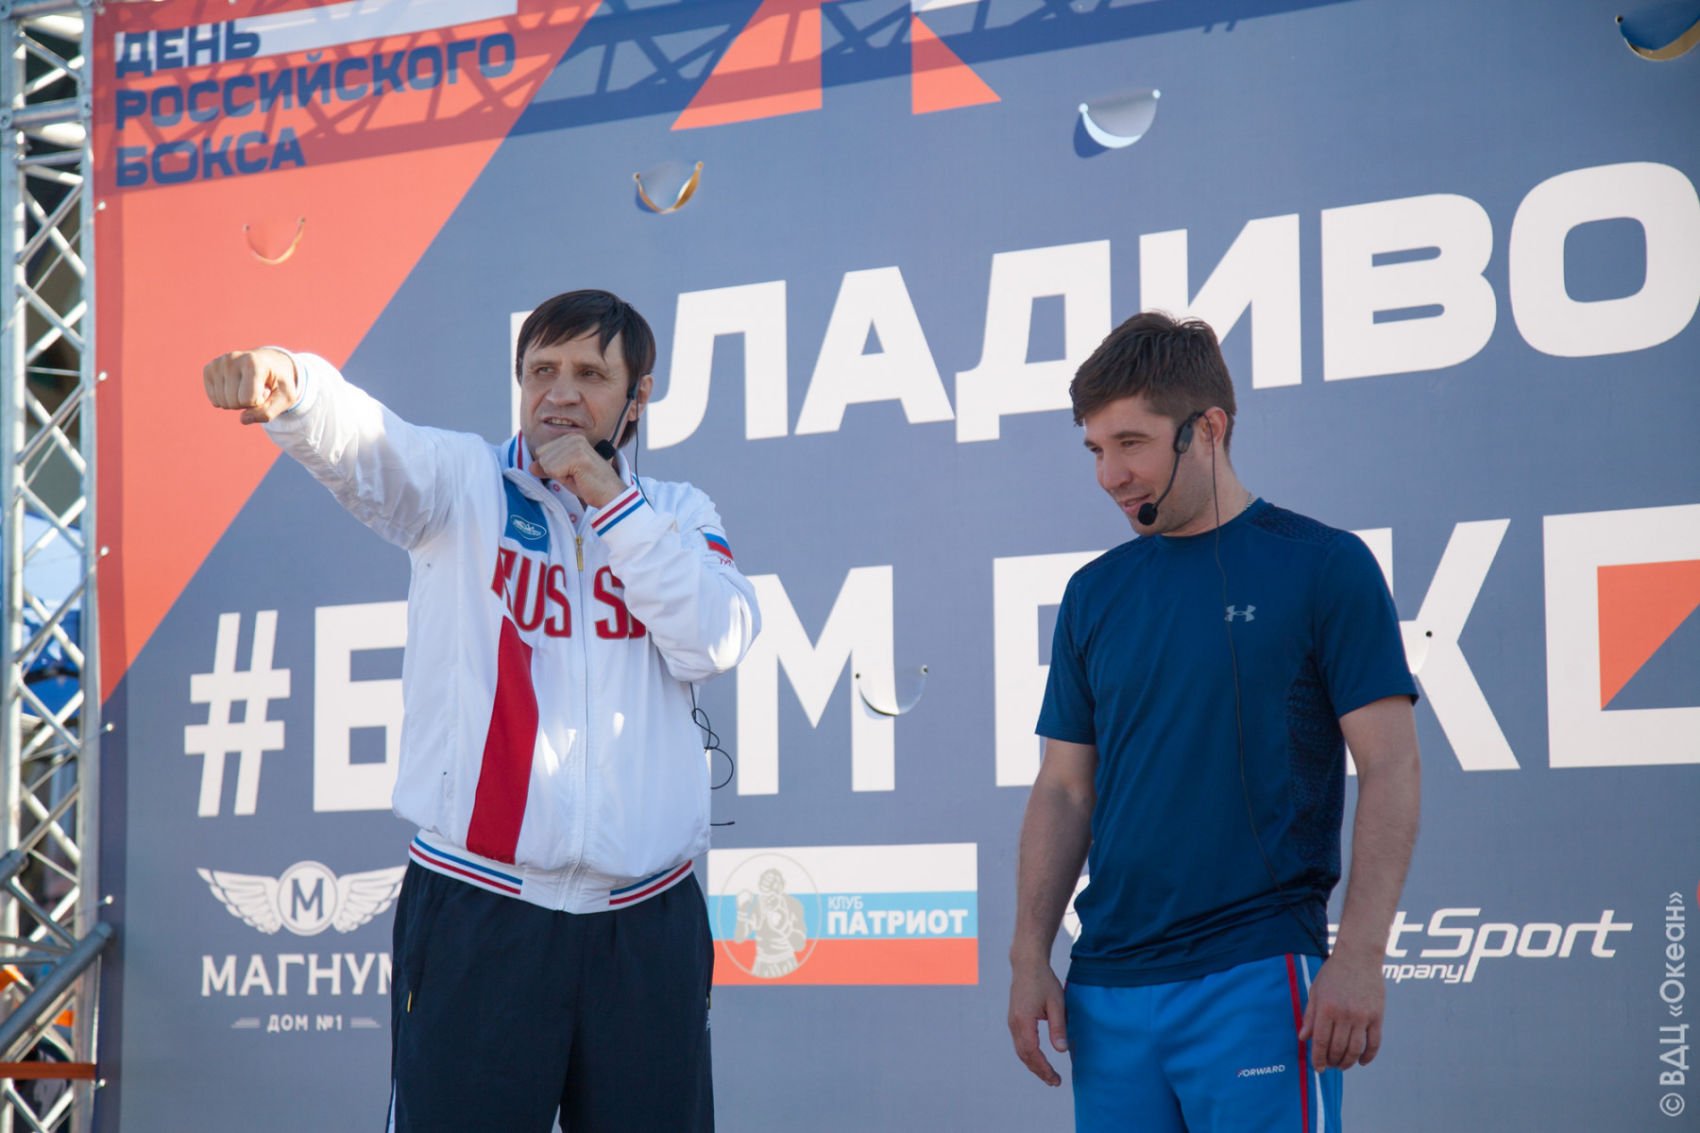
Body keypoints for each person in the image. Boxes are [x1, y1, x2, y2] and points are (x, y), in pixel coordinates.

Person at [201, 290, 761, 1132]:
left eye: (589, 374)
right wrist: (295, 385)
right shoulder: (464, 484)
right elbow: (371, 445)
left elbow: (714, 638)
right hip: (481, 906)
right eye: (541, 371)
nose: (559, 393)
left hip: (646, 923)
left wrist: (612, 504)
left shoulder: (678, 514)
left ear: (639, 394)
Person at [1006, 312, 1420, 1132]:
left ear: (1208, 428)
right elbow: (1063, 789)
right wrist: (1029, 955)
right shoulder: (1094, 593)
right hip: (1106, 988)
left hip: (1256, 974)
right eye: (1095, 449)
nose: (1110, 475)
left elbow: (1391, 766)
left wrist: (1360, 955)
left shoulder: (1324, 564)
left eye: (1131, 442)